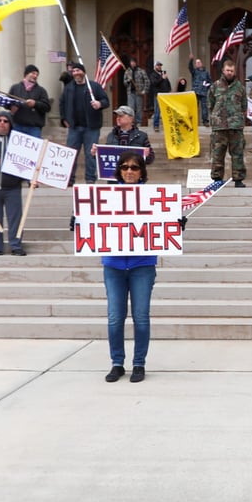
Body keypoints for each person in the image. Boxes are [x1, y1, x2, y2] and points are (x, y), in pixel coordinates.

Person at [100, 150, 156, 383]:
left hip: (142, 263)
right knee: (115, 317)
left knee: (141, 316)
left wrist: (175, 223)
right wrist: (80, 220)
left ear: (142, 171)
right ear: (119, 171)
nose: (130, 171)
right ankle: (117, 363)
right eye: (125, 167)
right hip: (113, 264)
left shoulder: (153, 195)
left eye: (134, 167)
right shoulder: (105, 195)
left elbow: (161, 223)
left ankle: (139, 364)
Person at [0, 110, 27, 256]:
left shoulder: (19, 141)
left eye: (5, 121)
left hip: (12, 188)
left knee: (15, 218)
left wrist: (30, 178)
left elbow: (27, 162)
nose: (2, 123)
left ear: (10, 124)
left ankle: (16, 245)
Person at [59, 62, 110, 184]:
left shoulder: (94, 87)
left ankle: (90, 179)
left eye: (78, 71)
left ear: (83, 72)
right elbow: (62, 104)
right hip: (74, 127)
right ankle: (69, 179)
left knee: (90, 154)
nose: (76, 73)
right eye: (74, 71)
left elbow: (105, 100)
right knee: (71, 154)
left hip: (91, 127)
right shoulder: (69, 88)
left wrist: (100, 104)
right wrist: (64, 119)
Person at [207, 58, 248, 188]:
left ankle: (238, 179)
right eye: (227, 70)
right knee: (218, 154)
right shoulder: (215, 86)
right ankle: (217, 179)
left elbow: (244, 105)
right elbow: (210, 104)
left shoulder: (240, 88)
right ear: (223, 71)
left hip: (235, 126)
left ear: (234, 71)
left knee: (238, 154)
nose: (229, 72)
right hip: (219, 127)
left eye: (231, 70)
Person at [8, 63, 51, 139]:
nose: (35, 76)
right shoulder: (15, 88)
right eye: (33, 73)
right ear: (26, 74)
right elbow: (7, 102)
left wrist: (35, 104)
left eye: (37, 74)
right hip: (17, 125)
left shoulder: (41, 90)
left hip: (34, 128)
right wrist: (11, 106)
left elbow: (47, 107)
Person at [123, 58, 150, 126]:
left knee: (139, 108)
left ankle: (138, 122)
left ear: (136, 63)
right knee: (131, 108)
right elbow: (124, 83)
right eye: (131, 62)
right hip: (130, 92)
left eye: (133, 62)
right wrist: (128, 80)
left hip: (138, 92)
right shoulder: (127, 72)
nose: (132, 63)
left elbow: (147, 81)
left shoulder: (141, 71)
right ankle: (131, 122)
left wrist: (144, 90)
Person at [149, 60, 171, 132]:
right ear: (155, 66)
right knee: (157, 110)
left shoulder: (163, 74)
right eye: (158, 65)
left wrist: (169, 90)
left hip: (165, 94)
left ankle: (167, 125)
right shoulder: (153, 74)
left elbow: (167, 83)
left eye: (160, 65)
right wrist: (162, 78)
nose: (159, 67)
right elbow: (154, 83)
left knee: (166, 110)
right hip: (158, 94)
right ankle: (156, 125)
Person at [189, 57, 211, 126]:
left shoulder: (206, 72)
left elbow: (210, 82)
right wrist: (191, 60)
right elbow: (190, 67)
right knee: (194, 107)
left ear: (201, 63)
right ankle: (193, 121)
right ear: (195, 64)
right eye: (197, 63)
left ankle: (205, 121)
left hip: (203, 92)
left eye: (199, 62)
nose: (198, 64)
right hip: (195, 92)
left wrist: (206, 85)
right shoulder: (194, 71)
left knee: (204, 107)